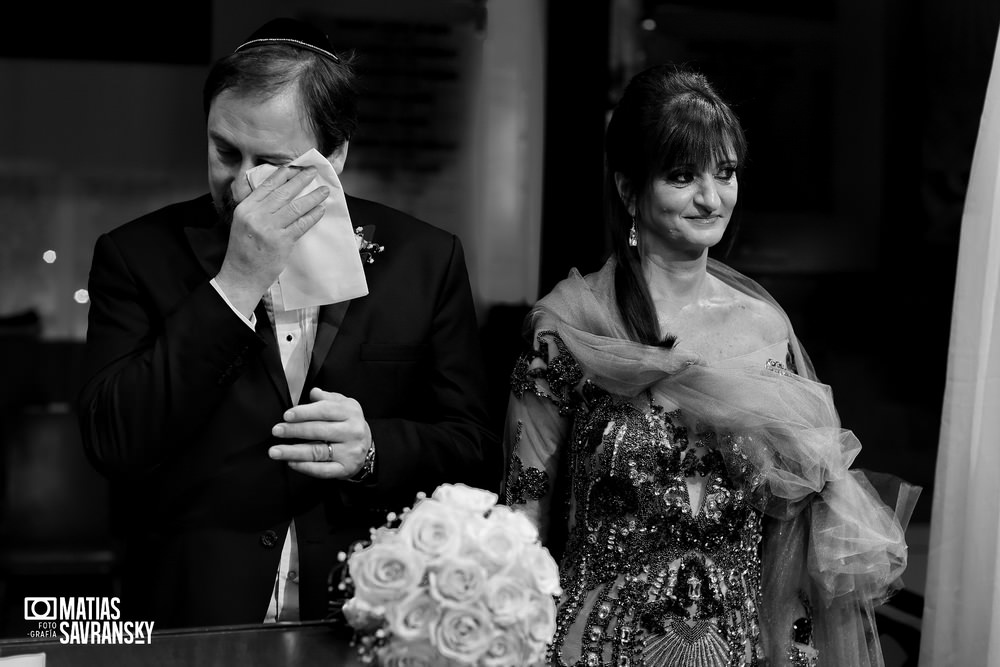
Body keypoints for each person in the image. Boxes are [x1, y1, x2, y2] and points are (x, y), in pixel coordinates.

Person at [77, 17, 498, 628]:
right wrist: (236, 283)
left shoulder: (423, 258)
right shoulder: (135, 255)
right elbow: (114, 443)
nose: (243, 183)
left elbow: (473, 447)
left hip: (370, 608)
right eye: (225, 151)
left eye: (272, 162)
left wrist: (375, 448)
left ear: (336, 158)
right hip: (195, 612)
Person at [501, 65, 918, 667]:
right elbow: (524, 506)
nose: (711, 198)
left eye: (725, 174)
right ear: (627, 189)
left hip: (742, 645)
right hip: (595, 644)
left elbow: (793, 519)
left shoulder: (765, 330)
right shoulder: (569, 328)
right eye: (681, 176)